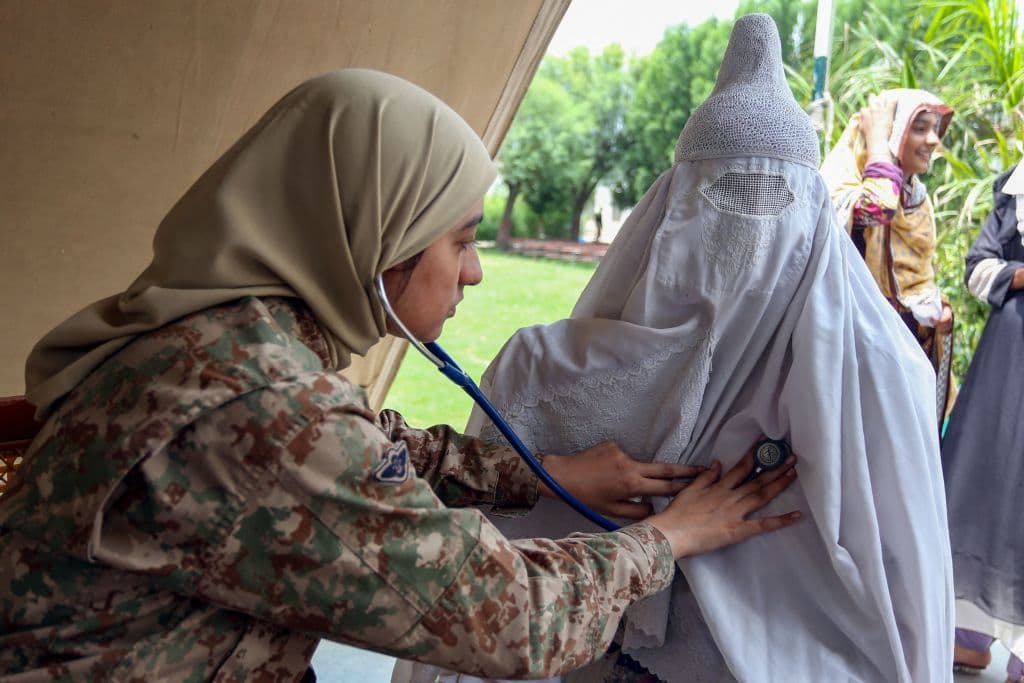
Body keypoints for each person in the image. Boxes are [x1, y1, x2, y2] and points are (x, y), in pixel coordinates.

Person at [0, 69, 802, 682]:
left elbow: (366, 445)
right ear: (377, 235)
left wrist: (537, 473)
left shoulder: (214, 335)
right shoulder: (266, 407)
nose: (476, 272)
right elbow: (513, 621)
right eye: (459, 239)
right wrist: (668, 537)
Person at [406, 14, 954, 683]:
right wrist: (567, 481)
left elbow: (908, 589)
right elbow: (471, 595)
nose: (745, 242)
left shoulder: (875, 376)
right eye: (725, 200)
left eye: (770, 206)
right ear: (672, 210)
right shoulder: (544, 374)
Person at [820, 89, 956, 424]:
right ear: (893, 133)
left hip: (901, 352)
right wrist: (879, 143)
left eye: (936, 129)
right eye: (920, 128)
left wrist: (936, 310)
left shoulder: (918, 200)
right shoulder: (843, 188)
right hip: (852, 351)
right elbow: (878, 206)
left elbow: (918, 278)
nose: (934, 141)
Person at [940, 162, 1024, 681]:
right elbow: (978, 265)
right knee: (991, 483)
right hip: (1012, 356)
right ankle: (968, 633)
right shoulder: (1019, 187)